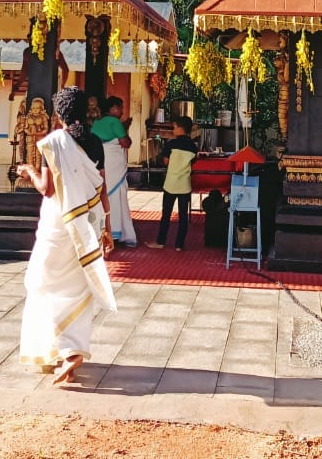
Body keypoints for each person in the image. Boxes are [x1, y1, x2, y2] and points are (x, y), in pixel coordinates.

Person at [17, 86, 117, 385]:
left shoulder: (54, 143)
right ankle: (71, 350)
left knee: (40, 284)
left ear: (58, 114)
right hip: (86, 224)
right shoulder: (96, 143)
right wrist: (107, 228)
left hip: (58, 224)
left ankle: (55, 351)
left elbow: (47, 189)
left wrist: (28, 172)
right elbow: (102, 188)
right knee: (78, 288)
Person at [91, 96, 138, 247]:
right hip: (114, 165)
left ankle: (99, 230)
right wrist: (124, 131)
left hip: (99, 164)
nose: (122, 111)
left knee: (100, 196)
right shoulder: (115, 122)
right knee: (116, 197)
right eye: (120, 108)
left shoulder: (96, 122)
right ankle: (116, 231)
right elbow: (125, 143)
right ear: (112, 109)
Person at [149, 115, 197, 252]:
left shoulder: (171, 144)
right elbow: (193, 162)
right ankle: (179, 245)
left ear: (179, 128)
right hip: (185, 185)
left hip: (170, 184)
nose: (173, 130)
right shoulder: (193, 147)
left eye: (174, 127)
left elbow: (165, 161)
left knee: (166, 214)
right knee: (183, 217)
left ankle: (161, 241)